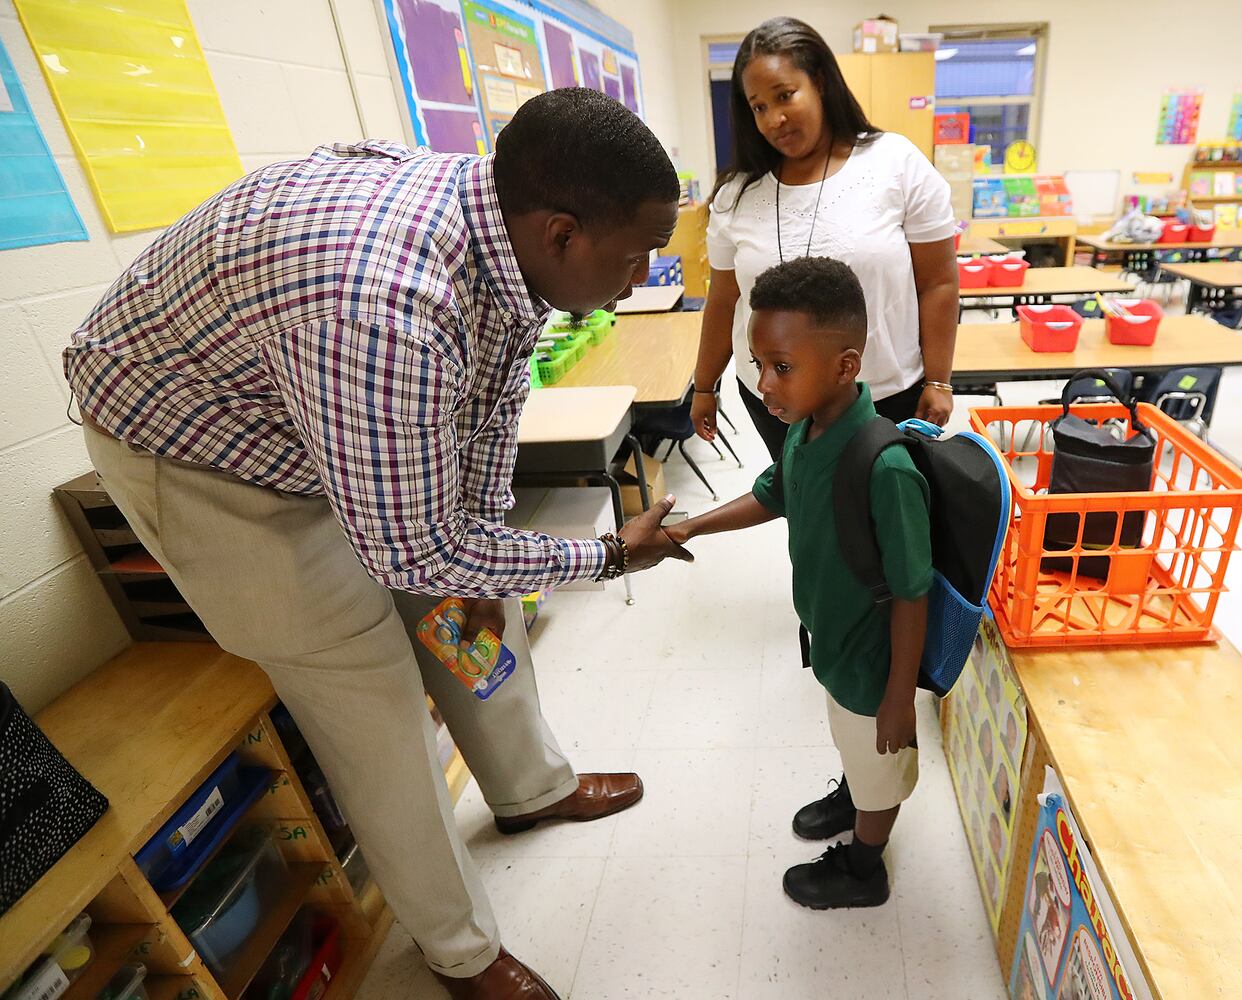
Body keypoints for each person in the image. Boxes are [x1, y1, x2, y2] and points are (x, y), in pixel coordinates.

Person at [64, 89, 691, 1000]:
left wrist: (485, 550)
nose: (641, 279)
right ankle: (460, 951)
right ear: (562, 233)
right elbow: (414, 554)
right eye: (637, 257)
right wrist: (604, 556)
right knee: (372, 701)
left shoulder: (495, 225)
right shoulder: (387, 307)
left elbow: (486, 403)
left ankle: (531, 789)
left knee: (478, 613)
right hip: (210, 455)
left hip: (326, 407)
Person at [664, 257, 930, 907]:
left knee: (879, 767)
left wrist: (899, 697)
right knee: (852, 741)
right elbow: (773, 495)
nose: (763, 384)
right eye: (757, 365)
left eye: (781, 367)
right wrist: (690, 527)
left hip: (873, 661)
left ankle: (865, 867)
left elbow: (913, 590)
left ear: (844, 366)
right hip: (832, 639)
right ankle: (854, 790)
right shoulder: (805, 433)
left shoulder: (884, 465)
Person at [689, 16, 959, 461]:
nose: (774, 119)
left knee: (883, 511)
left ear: (820, 82)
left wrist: (939, 380)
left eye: (784, 95)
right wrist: (704, 385)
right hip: (774, 399)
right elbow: (723, 299)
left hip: (882, 393)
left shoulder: (895, 163)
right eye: (758, 107)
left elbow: (939, 283)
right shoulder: (736, 194)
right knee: (806, 509)